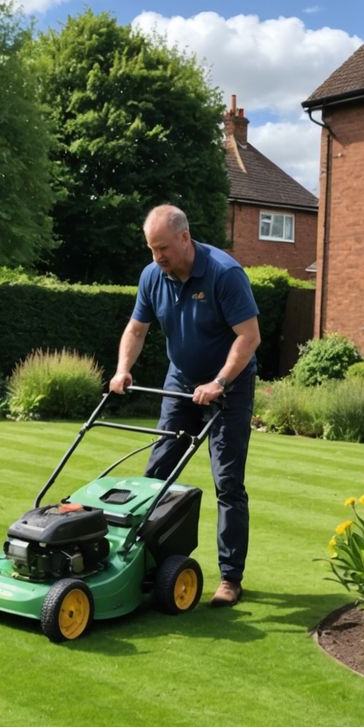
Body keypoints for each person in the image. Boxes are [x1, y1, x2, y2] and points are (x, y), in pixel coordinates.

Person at [109, 204, 260, 607]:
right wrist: (123, 369)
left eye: (163, 248)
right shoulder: (152, 277)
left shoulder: (224, 273)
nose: (157, 257)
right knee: (156, 474)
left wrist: (220, 381)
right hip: (180, 382)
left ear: (184, 238)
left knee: (227, 482)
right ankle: (144, 565)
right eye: (151, 249)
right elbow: (136, 329)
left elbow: (248, 336)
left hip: (229, 386)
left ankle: (230, 578)